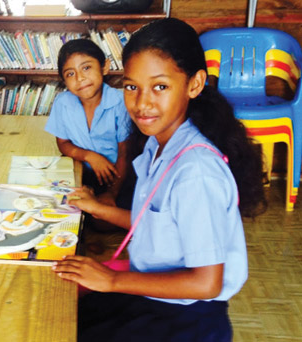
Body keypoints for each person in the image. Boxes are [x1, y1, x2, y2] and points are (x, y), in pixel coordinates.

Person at [53, 18, 266, 341]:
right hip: (159, 293)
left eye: (160, 87)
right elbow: (157, 223)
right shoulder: (157, 143)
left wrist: (111, 281)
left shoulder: (195, 171)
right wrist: (99, 208)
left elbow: (205, 282)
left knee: (68, 327)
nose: (141, 103)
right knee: (64, 310)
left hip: (187, 316)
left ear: (194, 84)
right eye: (131, 86)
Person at [45, 39, 133, 210]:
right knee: (57, 205)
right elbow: (63, 143)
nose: (80, 78)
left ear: (104, 67)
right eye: (70, 74)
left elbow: (126, 154)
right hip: (81, 172)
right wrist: (89, 156)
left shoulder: (120, 102)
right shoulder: (62, 102)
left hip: (118, 175)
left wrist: (112, 193)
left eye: (86, 68)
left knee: (101, 222)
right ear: (64, 80)